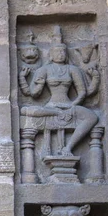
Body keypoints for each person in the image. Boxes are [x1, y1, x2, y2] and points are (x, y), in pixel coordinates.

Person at [20, 26, 98, 156]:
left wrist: (94, 78)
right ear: (51, 54)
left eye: (63, 52)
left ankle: (68, 148)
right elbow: (34, 93)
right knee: (25, 111)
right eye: (57, 52)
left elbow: (83, 92)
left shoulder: (73, 69)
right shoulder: (44, 70)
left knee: (92, 117)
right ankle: (55, 112)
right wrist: (23, 78)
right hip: (51, 106)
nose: (60, 54)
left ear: (66, 54)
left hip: (69, 105)